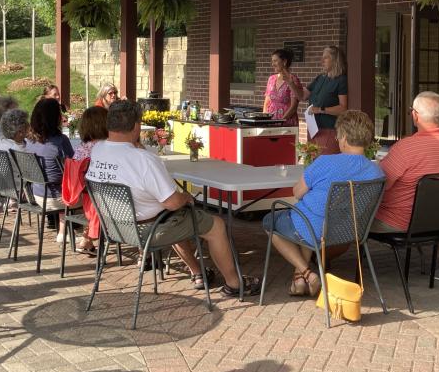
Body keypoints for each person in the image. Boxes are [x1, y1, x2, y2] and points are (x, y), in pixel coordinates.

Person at [85, 100, 262, 296]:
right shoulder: (143, 160)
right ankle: (234, 283)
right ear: (136, 126)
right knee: (214, 224)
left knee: (175, 215)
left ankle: (198, 272)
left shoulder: (98, 150)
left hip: (116, 227)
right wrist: (186, 197)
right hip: (150, 230)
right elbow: (172, 201)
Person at [262, 110, 383, 297]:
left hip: (315, 230)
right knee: (309, 217)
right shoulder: (376, 173)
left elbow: (297, 192)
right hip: (349, 231)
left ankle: (307, 273)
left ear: (342, 136)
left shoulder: (325, 162)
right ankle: (299, 280)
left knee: (271, 221)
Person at [374, 91, 439, 233]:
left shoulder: (405, 147)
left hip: (398, 221)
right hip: (438, 220)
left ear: (415, 115)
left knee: (352, 219)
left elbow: (379, 183)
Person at [24, 98, 75, 241]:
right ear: (56, 118)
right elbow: (73, 167)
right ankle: (83, 237)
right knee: (89, 195)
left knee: (58, 180)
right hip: (57, 198)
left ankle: (62, 231)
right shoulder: (61, 141)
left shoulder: (28, 141)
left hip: (36, 195)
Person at [69, 106, 108, 254]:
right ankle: (144, 252)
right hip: (102, 201)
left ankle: (86, 239)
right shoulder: (103, 148)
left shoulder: (81, 148)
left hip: (82, 197)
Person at [303, 45, 349, 155]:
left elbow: (343, 108)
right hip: (313, 129)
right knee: (312, 164)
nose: (322, 60)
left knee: (326, 164)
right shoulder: (320, 78)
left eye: (326, 57)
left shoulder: (341, 80)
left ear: (335, 60)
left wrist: (320, 109)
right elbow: (303, 96)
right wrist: (291, 82)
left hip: (329, 130)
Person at [263, 48, 303, 126]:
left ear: (284, 62)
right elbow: (266, 103)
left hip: (286, 124)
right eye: (272, 61)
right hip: (270, 123)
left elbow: (293, 107)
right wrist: (264, 120)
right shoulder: (271, 79)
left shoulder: (293, 80)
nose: (272, 64)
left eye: (275, 61)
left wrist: (280, 122)